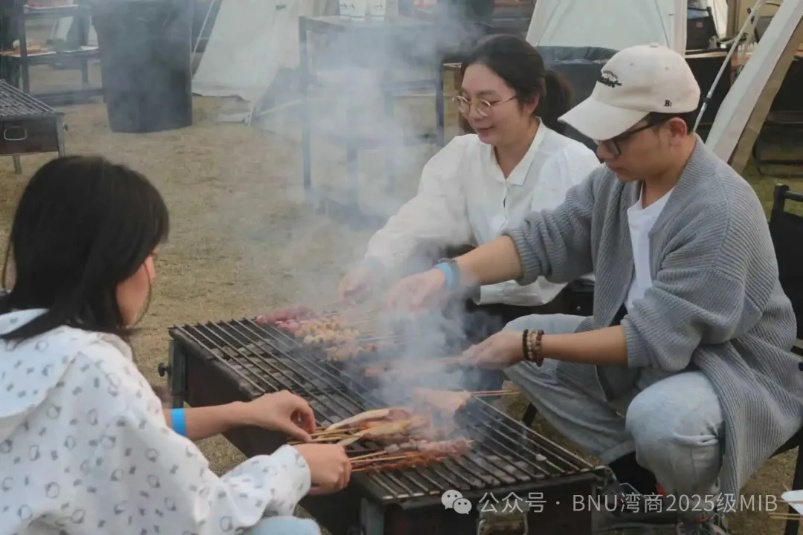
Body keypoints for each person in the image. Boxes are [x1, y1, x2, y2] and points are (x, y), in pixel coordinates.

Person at [385, 44, 803, 535]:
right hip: (652, 348)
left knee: (659, 418)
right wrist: (450, 275)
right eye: (600, 137)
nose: (602, 152)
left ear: (674, 130)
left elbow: (650, 338)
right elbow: (543, 239)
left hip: (730, 367)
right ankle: (638, 477)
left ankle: (696, 516)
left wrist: (530, 344)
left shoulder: (719, 210)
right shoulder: (617, 182)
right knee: (527, 340)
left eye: (617, 140)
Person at [0, 156, 350, 535]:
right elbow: (197, 518)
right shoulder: (89, 369)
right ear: (110, 261)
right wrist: (295, 466)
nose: (153, 273)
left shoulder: (18, 337)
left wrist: (242, 412)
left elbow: (134, 427)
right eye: (149, 256)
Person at [338, 34, 600, 346]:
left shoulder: (568, 161)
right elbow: (420, 217)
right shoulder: (464, 153)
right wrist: (375, 264)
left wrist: (451, 279)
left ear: (530, 101)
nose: (474, 113)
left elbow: (541, 280)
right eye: (465, 99)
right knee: (423, 252)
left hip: (558, 311)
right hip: (488, 300)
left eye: (487, 101)